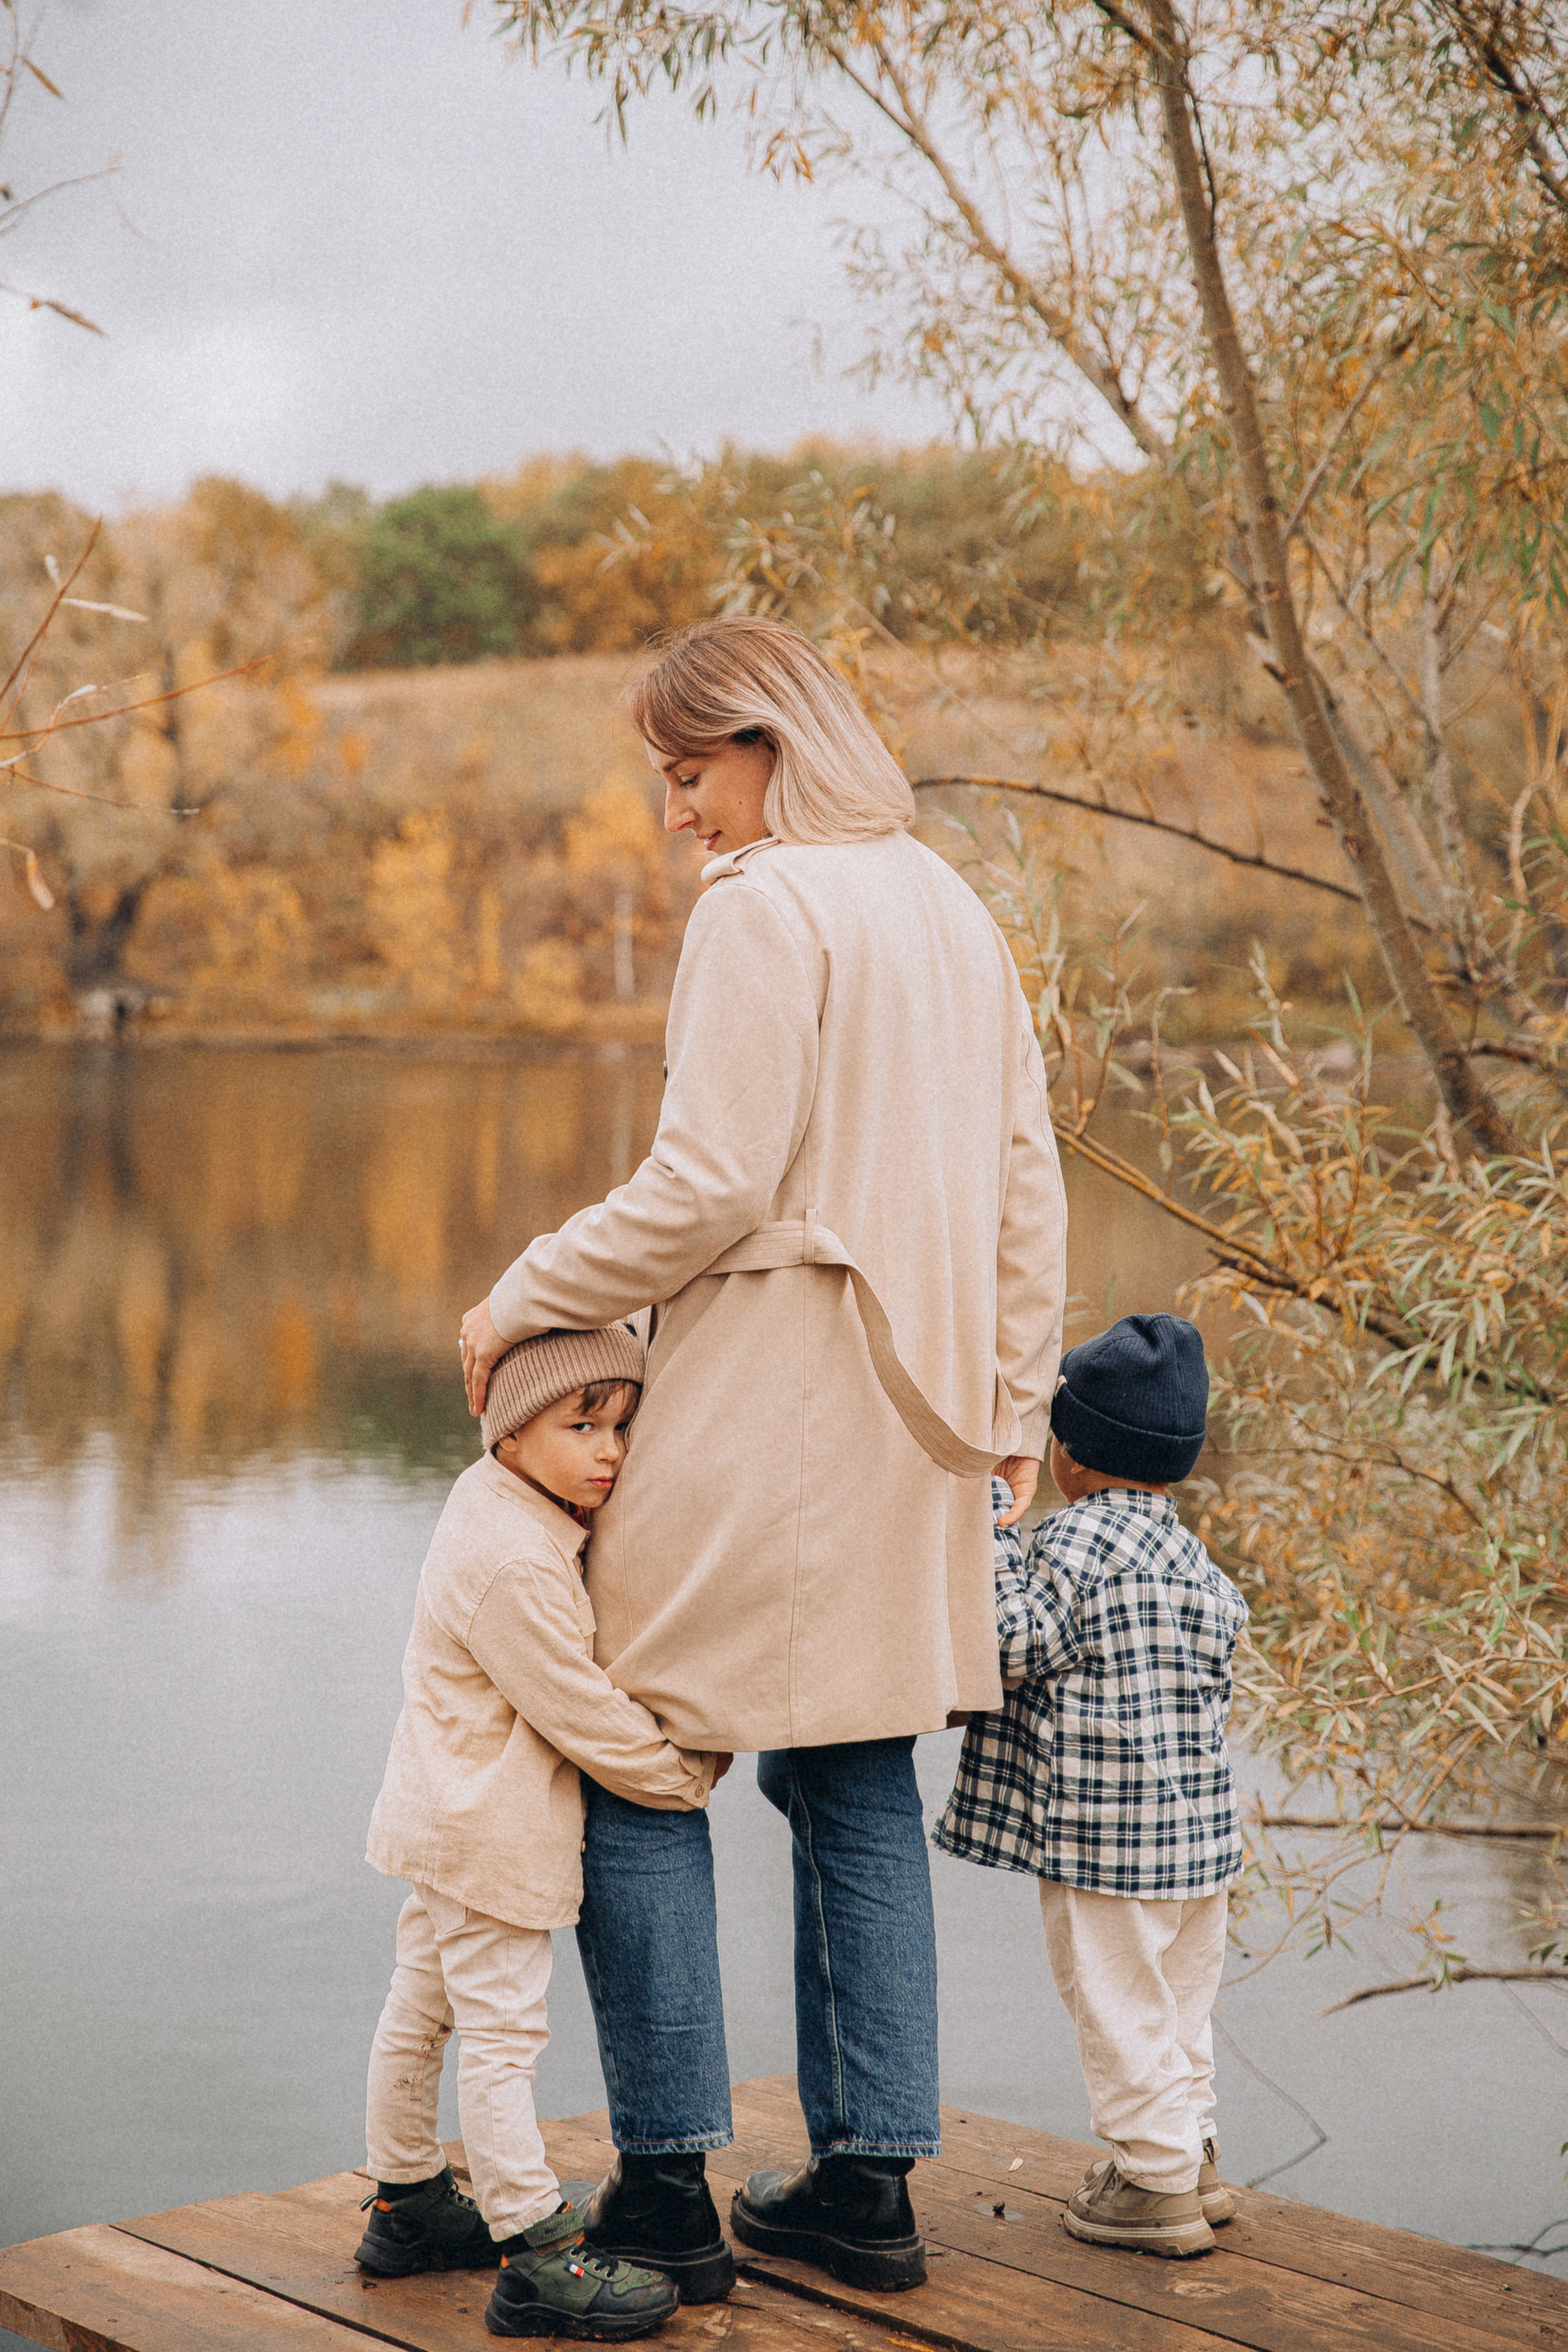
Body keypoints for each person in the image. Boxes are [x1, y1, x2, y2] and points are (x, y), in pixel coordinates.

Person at [459, 616, 1068, 2297]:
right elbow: (1027, 1182)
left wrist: (520, 1295)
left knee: (646, 1743)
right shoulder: (952, 905)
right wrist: (1010, 1409)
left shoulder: (764, 906)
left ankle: (663, 2193)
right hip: (919, 1414)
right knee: (856, 1764)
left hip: (770, 1398)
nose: (677, 814)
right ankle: (868, 2188)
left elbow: (707, 1182)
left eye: (686, 773)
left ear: (767, 748)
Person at [358, 1323, 720, 2340]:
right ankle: (535, 2250)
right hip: (487, 1833)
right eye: (582, 1424)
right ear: (509, 1433)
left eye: (621, 1425)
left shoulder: (495, 1506)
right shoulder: (516, 1560)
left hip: (442, 1812)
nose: (611, 1449)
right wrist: (683, 1774)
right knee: (504, 2037)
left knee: (422, 2010)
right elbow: (584, 1711)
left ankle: (406, 2200)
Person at [934, 1313, 1248, 2261]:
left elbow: (1011, 1643)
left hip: (1109, 1843)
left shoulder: (1071, 1547)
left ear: (1071, 1458)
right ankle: (1190, 2158)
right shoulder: (1197, 1561)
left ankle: (1153, 2191)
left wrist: (988, 1535)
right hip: (1201, 1847)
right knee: (1178, 2008)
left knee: (1113, 2006)